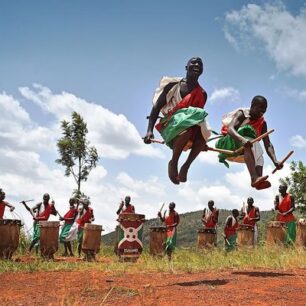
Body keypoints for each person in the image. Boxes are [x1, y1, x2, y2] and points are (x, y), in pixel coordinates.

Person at [144, 57, 211, 185]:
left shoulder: (202, 94)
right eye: (193, 62)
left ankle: (186, 166)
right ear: (186, 68)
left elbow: (197, 118)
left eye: (200, 64)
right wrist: (149, 131)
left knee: (202, 137)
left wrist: (203, 140)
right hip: (170, 124)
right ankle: (173, 162)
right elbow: (157, 107)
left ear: (202, 70)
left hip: (189, 126)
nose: (196, 65)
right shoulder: (173, 86)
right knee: (185, 130)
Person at [215, 95, 283, 190]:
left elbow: (267, 144)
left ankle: (259, 180)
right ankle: (254, 177)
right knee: (248, 134)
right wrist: (242, 140)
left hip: (245, 151)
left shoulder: (262, 123)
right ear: (252, 106)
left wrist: (275, 160)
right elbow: (230, 129)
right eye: (260, 109)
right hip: (227, 144)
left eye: (264, 110)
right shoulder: (242, 114)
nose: (262, 112)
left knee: (258, 147)